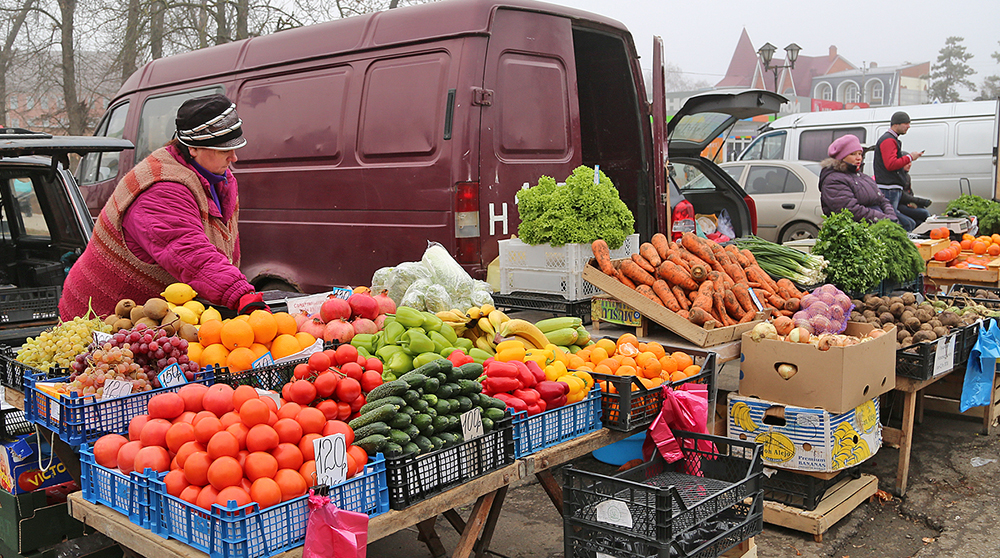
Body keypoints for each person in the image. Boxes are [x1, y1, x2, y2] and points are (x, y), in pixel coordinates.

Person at [60, 93, 267, 320]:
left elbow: (224, 248)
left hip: (154, 317)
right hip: (102, 315)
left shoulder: (219, 180)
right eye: (223, 149)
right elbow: (189, 252)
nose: (234, 157)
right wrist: (240, 295)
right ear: (193, 149)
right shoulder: (160, 188)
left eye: (235, 147)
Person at [819, 134, 899, 224]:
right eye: (853, 154)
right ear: (841, 158)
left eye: (860, 154)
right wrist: (884, 219)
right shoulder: (833, 180)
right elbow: (851, 210)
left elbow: (882, 200)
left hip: (878, 224)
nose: (858, 158)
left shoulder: (862, 177)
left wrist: (891, 216)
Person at [874, 111, 924, 231]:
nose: (908, 126)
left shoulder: (891, 139)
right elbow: (890, 164)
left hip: (891, 187)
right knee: (894, 222)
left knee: (899, 220)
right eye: (906, 123)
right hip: (888, 187)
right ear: (896, 124)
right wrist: (910, 157)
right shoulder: (888, 140)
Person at [896, 151, 932, 229]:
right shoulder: (897, 176)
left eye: (910, 162)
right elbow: (902, 195)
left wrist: (913, 203)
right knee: (924, 213)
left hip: (906, 204)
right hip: (899, 206)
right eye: (907, 162)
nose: (910, 165)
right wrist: (919, 201)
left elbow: (909, 192)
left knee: (920, 221)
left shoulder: (907, 176)